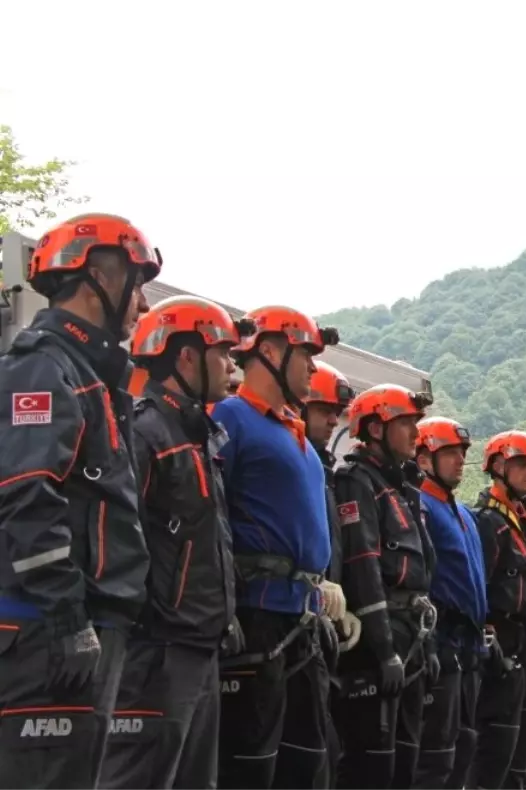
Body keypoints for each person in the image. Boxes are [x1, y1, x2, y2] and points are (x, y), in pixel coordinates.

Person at [0, 214, 160, 788]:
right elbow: (24, 494)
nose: (142, 304)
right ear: (99, 275)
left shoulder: (95, 375)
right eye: (136, 284)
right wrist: (67, 617)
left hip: (90, 623)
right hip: (49, 628)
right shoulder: (44, 366)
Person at [97, 296, 245, 790]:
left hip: (200, 644)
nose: (232, 365)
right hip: (157, 652)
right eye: (222, 352)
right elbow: (120, 538)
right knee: (138, 779)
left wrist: (227, 613)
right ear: (185, 356)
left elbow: (206, 539)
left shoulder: (199, 435)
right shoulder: (145, 431)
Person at [211, 305, 344, 789]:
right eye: (304, 354)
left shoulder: (299, 437)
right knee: (250, 768)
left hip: (303, 620)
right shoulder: (230, 417)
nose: (312, 367)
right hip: (256, 619)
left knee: (307, 763)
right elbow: (212, 516)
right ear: (268, 351)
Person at [332, 384, 438, 789]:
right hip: (382, 644)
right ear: (376, 429)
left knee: (406, 763)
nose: (416, 433)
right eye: (407, 423)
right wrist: (383, 651)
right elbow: (363, 568)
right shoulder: (358, 482)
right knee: (373, 766)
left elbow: (423, 573)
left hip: (411, 637)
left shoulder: (400, 487)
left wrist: (425, 647)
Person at [469, 431, 526, 790]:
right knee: (496, 755)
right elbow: (481, 587)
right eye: (522, 465)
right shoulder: (488, 521)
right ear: (499, 466)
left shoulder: (524, 518)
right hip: (503, 648)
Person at [413, 417, 488, 790]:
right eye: (451, 453)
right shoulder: (421, 506)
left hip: (470, 648)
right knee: (436, 754)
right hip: (442, 644)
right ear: (425, 458)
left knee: (466, 744)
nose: (460, 460)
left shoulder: (463, 514)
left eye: (462, 453)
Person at [303, 360, 362, 788]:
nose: (332, 419)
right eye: (323, 409)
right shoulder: (301, 465)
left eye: (336, 411)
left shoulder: (323, 472)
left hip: (323, 630)